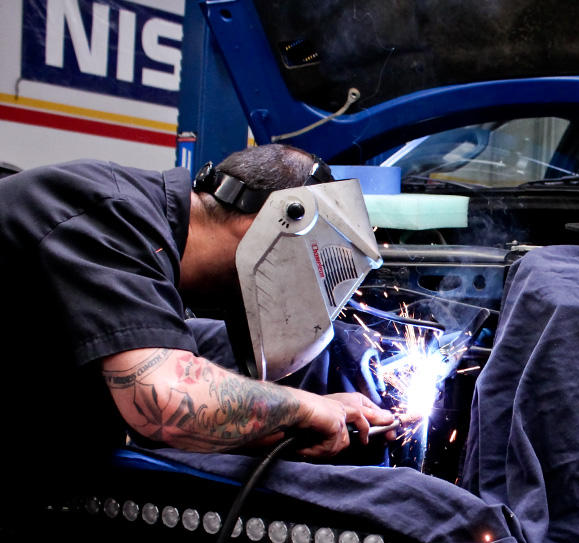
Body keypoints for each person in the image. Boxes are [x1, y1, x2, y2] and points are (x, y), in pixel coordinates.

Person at [0, 144, 393, 496]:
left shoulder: (155, 258)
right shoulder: (112, 214)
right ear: (276, 226)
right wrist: (302, 407)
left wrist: (314, 418)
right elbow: (166, 404)